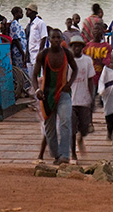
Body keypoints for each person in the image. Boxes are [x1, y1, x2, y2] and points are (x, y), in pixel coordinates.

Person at [32, 28, 77, 164]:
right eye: (54, 38)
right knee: (49, 127)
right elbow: (34, 75)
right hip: (47, 95)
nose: (56, 40)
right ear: (49, 40)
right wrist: (37, 90)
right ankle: (56, 154)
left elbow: (75, 69)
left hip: (63, 93)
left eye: (59, 38)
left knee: (65, 122)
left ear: (62, 39)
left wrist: (69, 83)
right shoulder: (43, 54)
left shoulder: (67, 54)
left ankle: (64, 155)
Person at [69, 35, 94, 163]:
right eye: (74, 46)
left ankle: (81, 138)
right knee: (72, 128)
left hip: (84, 99)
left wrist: (92, 97)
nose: (77, 48)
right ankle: (73, 153)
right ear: (71, 47)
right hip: (71, 100)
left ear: (82, 47)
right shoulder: (67, 62)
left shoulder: (87, 61)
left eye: (79, 46)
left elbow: (90, 80)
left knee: (84, 127)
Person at [25, 4, 47, 80]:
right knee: (31, 77)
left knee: (39, 76)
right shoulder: (29, 24)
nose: (27, 12)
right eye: (26, 10)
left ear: (34, 12)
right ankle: (33, 91)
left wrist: (40, 53)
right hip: (29, 54)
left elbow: (44, 38)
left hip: (37, 53)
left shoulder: (40, 23)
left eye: (29, 10)